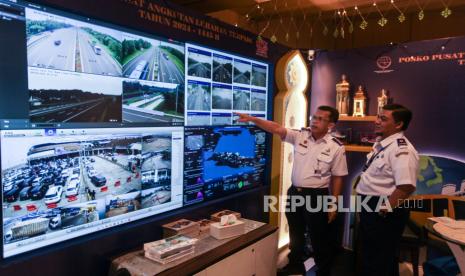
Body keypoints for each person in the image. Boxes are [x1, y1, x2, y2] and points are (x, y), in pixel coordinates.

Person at [237, 105, 348, 276]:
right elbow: (275, 128)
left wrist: (334, 203)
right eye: (314, 117)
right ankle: (295, 263)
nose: (315, 121)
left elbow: (339, 176)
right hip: (295, 192)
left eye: (320, 119)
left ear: (331, 125)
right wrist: (253, 120)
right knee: (295, 231)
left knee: (318, 235)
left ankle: (323, 269)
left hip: (316, 196)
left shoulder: (336, 146)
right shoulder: (300, 135)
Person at [356, 104, 419, 276]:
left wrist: (383, 211)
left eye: (383, 119)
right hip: (372, 206)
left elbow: (406, 186)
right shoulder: (383, 144)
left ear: (398, 125)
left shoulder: (401, 149)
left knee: (379, 260)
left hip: (383, 210)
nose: (377, 121)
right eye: (378, 117)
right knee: (373, 257)